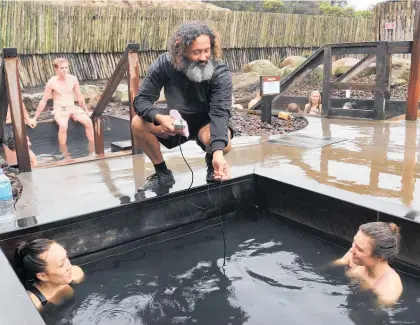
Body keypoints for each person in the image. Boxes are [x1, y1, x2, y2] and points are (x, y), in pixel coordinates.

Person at [132, 20, 233, 192]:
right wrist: (160, 118)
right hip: (175, 121)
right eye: (196, 52)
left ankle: (212, 165)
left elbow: (220, 113)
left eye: (207, 50)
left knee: (225, 142)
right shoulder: (164, 64)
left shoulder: (220, 71)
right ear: (181, 51)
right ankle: (163, 174)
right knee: (137, 124)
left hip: (206, 124)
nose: (203, 57)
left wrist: (217, 153)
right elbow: (141, 100)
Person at [333, 222, 403, 305]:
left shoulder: (387, 292)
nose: (352, 250)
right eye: (354, 242)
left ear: (379, 257)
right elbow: (329, 270)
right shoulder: (355, 256)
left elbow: (374, 315)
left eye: (359, 249)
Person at [33, 58, 94, 146]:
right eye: (62, 68)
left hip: (72, 108)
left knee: (88, 121)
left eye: (66, 67)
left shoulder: (73, 79)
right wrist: (35, 118)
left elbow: (79, 96)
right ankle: (64, 153)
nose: (65, 70)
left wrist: (86, 111)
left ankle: (93, 148)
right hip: (60, 110)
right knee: (63, 125)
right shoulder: (51, 82)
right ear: (56, 69)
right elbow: (43, 101)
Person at [13, 238, 84, 310]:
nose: (69, 266)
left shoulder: (76, 274)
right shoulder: (34, 303)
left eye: (66, 257)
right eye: (61, 264)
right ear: (43, 276)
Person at [3, 102, 38, 166]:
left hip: (12, 125)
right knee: (11, 153)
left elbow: (19, 103)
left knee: (24, 148)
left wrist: (27, 119)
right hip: (4, 126)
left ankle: (35, 165)